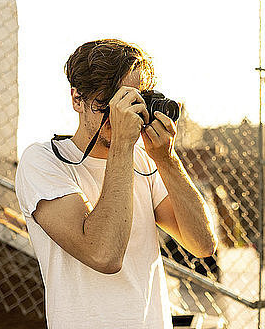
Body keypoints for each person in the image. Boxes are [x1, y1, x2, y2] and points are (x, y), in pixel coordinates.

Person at [14, 39, 218, 329]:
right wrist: (122, 143)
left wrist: (166, 159)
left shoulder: (145, 159)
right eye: (108, 102)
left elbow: (202, 244)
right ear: (77, 99)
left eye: (132, 100)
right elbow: (104, 254)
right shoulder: (44, 161)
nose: (121, 113)